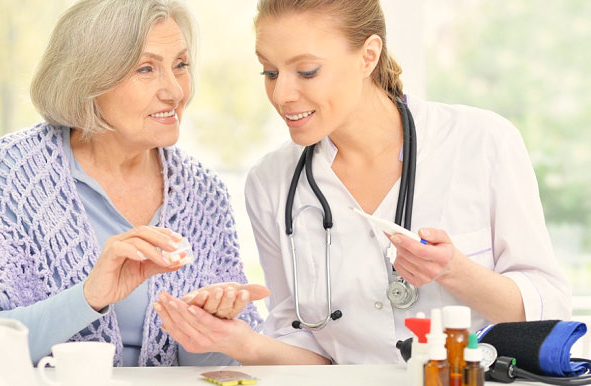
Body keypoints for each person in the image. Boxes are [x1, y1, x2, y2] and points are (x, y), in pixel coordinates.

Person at [154, 0, 572, 365]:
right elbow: (306, 344)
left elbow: (546, 308)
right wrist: (244, 343)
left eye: (307, 71)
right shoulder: (270, 184)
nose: (282, 94)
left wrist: (455, 272)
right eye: (269, 72)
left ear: (368, 55)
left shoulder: (482, 142)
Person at [0, 0, 267, 368]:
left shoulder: (204, 195)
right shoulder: (13, 175)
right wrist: (87, 297)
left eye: (180, 65)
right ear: (89, 81)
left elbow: (213, 370)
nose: (175, 91)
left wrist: (210, 328)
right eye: (146, 69)